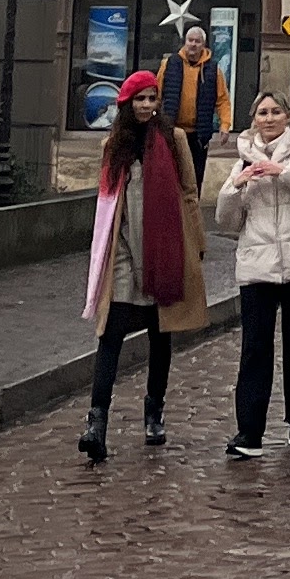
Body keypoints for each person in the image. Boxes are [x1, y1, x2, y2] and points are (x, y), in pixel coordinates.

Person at [78, 69, 207, 464]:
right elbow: (106, 202)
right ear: (126, 104)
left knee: (160, 332)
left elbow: (189, 192)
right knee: (110, 333)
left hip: (164, 249)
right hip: (123, 250)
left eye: (152, 98)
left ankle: (154, 412)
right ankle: (96, 423)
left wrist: (196, 243)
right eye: (140, 99)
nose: (147, 106)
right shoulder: (113, 145)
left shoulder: (174, 139)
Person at [213, 87, 290, 460]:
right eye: (262, 113)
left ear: (288, 115)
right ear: (254, 120)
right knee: (255, 350)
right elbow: (226, 221)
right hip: (258, 266)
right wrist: (236, 187)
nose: (268, 119)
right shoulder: (243, 158)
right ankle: (250, 432)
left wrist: (284, 172)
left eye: (275, 112)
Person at [155, 19, 227, 179]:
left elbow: (222, 100)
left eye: (197, 41)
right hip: (173, 131)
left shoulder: (213, 69)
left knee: (195, 177)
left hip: (199, 135)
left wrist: (225, 125)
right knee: (172, 177)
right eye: (190, 40)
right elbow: (157, 95)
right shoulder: (169, 64)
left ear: (204, 45)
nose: (193, 44)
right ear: (185, 42)